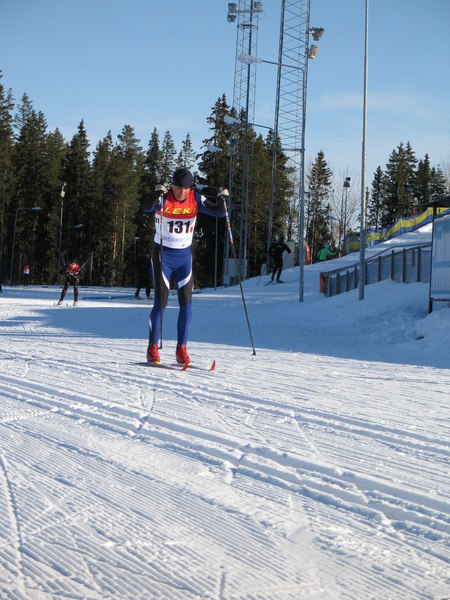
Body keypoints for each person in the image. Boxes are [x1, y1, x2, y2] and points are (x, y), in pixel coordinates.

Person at [142, 167, 227, 365]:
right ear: (172, 186)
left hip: (183, 258)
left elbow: (220, 213)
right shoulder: (163, 198)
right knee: (161, 303)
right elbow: (146, 208)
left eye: (186, 189)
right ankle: (152, 348)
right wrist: (156, 194)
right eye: (179, 188)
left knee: (187, 304)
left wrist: (222, 198)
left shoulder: (195, 199)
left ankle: (181, 349)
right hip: (163, 256)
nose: (182, 192)